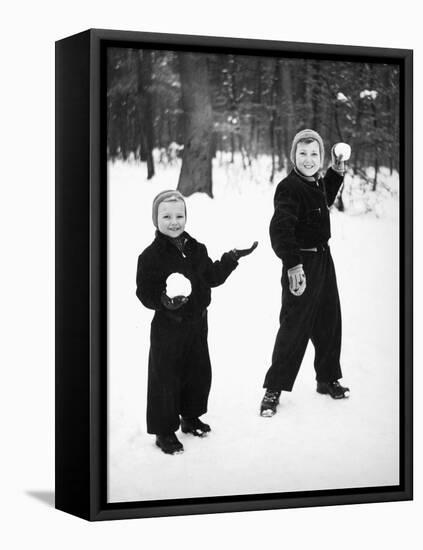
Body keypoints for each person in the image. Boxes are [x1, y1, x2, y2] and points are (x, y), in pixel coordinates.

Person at [136, 190, 257, 453]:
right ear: (155, 219)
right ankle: (164, 431)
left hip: (197, 323)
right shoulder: (150, 256)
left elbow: (211, 277)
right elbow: (144, 292)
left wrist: (230, 259)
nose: (174, 221)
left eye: (179, 215)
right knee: (165, 378)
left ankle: (190, 417)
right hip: (169, 326)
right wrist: (164, 300)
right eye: (166, 216)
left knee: (197, 372)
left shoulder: (196, 248)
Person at [260, 129, 350, 417]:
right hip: (301, 265)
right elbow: (280, 228)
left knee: (328, 320)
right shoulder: (289, 188)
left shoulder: (315, 182)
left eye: (314, 154)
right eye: (303, 153)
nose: (309, 159)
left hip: (324, 261)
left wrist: (336, 171)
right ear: (293, 156)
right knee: (294, 326)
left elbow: (324, 199)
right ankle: (274, 388)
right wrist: (292, 264)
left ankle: (327, 378)